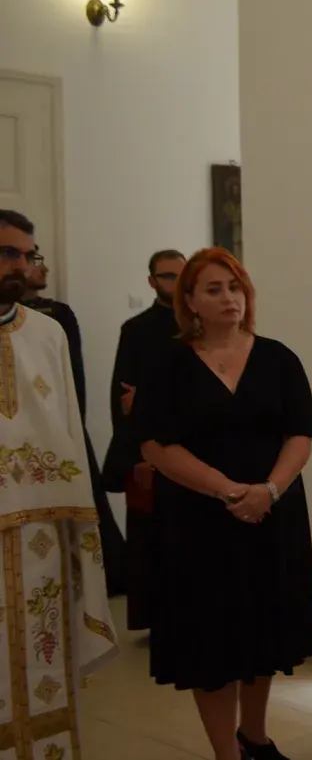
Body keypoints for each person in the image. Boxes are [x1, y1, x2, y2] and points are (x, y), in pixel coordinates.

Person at [136, 248, 312, 760]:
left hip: (270, 514)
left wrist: (269, 490)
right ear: (190, 301)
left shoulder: (278, 358)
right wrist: (227, 490)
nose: (228, 298)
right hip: (198, 521)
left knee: (263, 634)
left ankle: (255, 738)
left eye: (235, 287)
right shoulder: (168, 364)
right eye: (214, 289)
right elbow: (157, 446)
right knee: (211, 642)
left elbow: (300, 436)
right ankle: (226, 753)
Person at [0, 209, 119, 758]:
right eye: (8, 253)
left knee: (41, 653)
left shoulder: (48, 332)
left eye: (28, 255)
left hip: (41, 529)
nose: (21, 266)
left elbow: (70, 424)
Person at [19, 236, 129, 595]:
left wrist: (71, 422)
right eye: (31, 259)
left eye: (34, 257)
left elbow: (73, 376)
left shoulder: (58, 315)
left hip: (59, 424)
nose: (43, 267)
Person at [101, 248, 185, 630]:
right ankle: (156, 620)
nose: (176, 283)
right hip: (148, 447)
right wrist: (136, 452)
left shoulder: (200, 323)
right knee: (150, 538)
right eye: (168, 276)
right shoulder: (136, 330)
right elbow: (122, 398)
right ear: (152, 282)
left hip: (192, 445)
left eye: (181, 275)